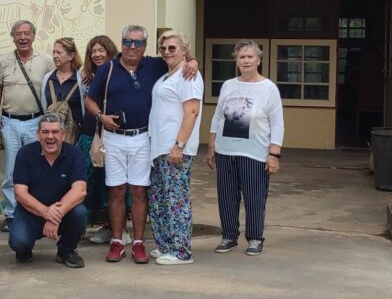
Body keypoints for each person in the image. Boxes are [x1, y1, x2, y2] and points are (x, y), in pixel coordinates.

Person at [84, 25, 198, 264]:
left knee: (139, 191)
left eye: (137, 42)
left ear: (145, 46)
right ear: (121, 43)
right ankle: (117, 241)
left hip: (143, 138)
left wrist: (193, 60)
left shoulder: (155, 65)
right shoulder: (108, 68)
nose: (132, 47)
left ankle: (138, 242)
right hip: (114, 139)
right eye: (127, 41)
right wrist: (101, 117)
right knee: (116, 190)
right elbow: (90, 99)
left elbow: (178, 57)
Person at [207, 40, 284, 256]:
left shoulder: (269, 88)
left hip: (255, 152)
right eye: (242, 57)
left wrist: (274, 154)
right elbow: (217, 117)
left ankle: (255, 238)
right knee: (227, 196)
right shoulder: (228, 85)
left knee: (254, 196)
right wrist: (211, 146)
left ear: (259, 60)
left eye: (250, 56)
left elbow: (277, 123)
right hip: (226, 151)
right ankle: (229, 236)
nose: (246, 60)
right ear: (236, 61)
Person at [147, 31, 203, 265]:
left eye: (172, 48)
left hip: (175, 149)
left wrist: (179, 145)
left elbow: (192, 111)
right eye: (164, 48)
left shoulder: (188, 75)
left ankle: (182, 251)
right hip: (160, 148)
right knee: (160, 199)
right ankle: (166, 244)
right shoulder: (167, 75)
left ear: (184, 50)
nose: (167, 52)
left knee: (176, 199)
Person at [0, 20, 54, 232]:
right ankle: (11, 215)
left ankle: (34, 212)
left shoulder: (46, 61)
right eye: (18, 33)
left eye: (26, 33)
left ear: (33, 36)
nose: (22, 37)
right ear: (13, 37)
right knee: (11, 171)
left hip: (36, 122)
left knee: (36, 169)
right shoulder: (4, 62)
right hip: (10, 122)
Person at [9, 114, 87, 268]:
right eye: (45, 132)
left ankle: (66, 250)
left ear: (63, 135)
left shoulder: (75, 154)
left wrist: (54, 217)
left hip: (63, 214)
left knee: (80, 212)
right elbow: (20, 193)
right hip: (31, 212)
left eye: (55, 132)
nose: (50, 137)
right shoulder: (25, 154)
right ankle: (24, 249)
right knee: (19, 242)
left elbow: (80, 191)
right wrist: (45, 212)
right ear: (38, 135)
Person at [81, 35, 120, 245]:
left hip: (108, 135)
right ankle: (91, 223)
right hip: (89, 134)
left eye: (101, 50)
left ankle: (114, 228)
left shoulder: (117, 73)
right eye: (93, 51)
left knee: (109, 180)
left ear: (109, 51)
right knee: (89, 179)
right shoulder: (88, 76)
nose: (97, 54)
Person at [39, 38, 84, 142]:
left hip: (74, 137)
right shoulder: (48, 78)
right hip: (51, 137)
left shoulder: (81, 79)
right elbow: (44, 107)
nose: (54, 56)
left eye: (59, 52)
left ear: (71, 56)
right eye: (53, 52)